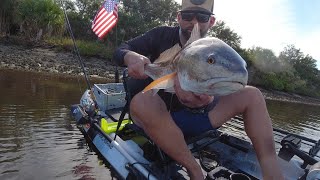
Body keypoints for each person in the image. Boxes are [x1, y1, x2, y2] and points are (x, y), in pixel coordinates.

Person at [113, 0, 284, 179]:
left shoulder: (214, 51)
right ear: (179, 17)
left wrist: (204, 104)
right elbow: (121, 49)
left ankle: (273, 174)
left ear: (211, 21)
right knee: (142, 101)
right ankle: (194, 170)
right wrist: (129, 56)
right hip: (158, 122)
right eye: (187, 16)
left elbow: (218, 88)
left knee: (253, 95)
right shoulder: (161, 35)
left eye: (202, 17)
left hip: (196, 119)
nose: (194, 22)